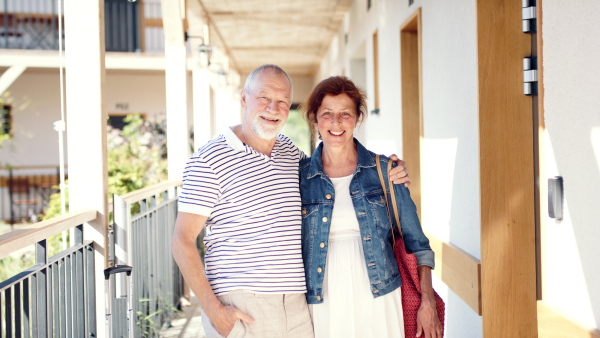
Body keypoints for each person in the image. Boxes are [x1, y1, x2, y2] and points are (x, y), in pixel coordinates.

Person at [171, 65, 410, 338]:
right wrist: (214, 311)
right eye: (264, 97)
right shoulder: (209, 159)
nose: (273, 108)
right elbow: (182, 240)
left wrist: (391, 169)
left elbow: (335, 174)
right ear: (244, 99)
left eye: (283, 100)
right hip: (243, 304)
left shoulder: (291, 154)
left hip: (299, 305)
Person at [299, 76, 442, 338]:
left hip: (380, 294)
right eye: (327, 113)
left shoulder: (386, 171)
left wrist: (428, 300)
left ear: (357, 118)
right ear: (315, 118)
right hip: (322, 296)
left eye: (345, 114)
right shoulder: (299, 177)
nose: (336, 122)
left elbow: (418, 244)